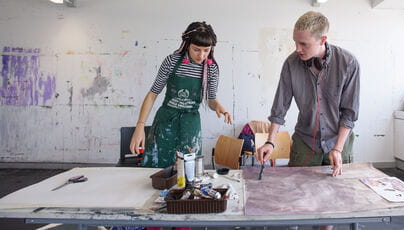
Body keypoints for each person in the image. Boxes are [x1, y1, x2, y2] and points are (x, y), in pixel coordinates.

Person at [257, 11, 360, 230]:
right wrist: (270, 142)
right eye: (295, 42)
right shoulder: (291, 64)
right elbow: (279, 108)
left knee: (330, 202)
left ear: (323, 40)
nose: (297, 49)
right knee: (296, 199)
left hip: (338, 141)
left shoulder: (348, 63)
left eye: (303, 44)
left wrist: (338, 149)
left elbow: (349, 114)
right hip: (306, 142)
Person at [130, 21, 232, 169]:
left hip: (190, 125)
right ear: (187, 44)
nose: (201, 55)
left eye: (206, 50)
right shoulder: (172, 61)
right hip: (166, 121)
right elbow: (153, 94)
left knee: (188, 170)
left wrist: (219, 107)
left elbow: (211, 100)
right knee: (157, 166)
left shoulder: (211, 68)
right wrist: (140, 126)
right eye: (196, 49)